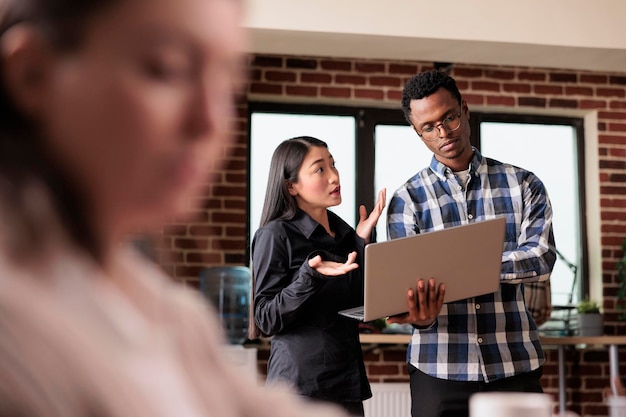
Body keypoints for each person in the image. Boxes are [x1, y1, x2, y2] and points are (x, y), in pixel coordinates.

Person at [0, 1, 352, 416]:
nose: (211, 120)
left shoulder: (170, 312)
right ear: (32, 74)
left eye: (226, 83)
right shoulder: (16, 333)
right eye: (165, 68)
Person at [386, 69, 557, 417]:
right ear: (416, 132)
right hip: (439, 368)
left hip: (514, 364)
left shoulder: (523, 184)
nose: (443, 133)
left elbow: (540, 258)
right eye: (428, 127)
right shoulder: (407, 200)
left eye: (448, 117)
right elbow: (408, 287)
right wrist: (419, 315)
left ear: (464, 109)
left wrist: (461, 268)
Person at [250, 136, 386, 416]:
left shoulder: (346, 234)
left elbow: (361, 303)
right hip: (299, 389)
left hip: (347, 384)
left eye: (333, 165)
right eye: (320, 169)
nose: (335, 176)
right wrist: (308, 276)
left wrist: (361, 241)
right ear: (291, 186)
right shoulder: (275, 235)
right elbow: (264, 319)